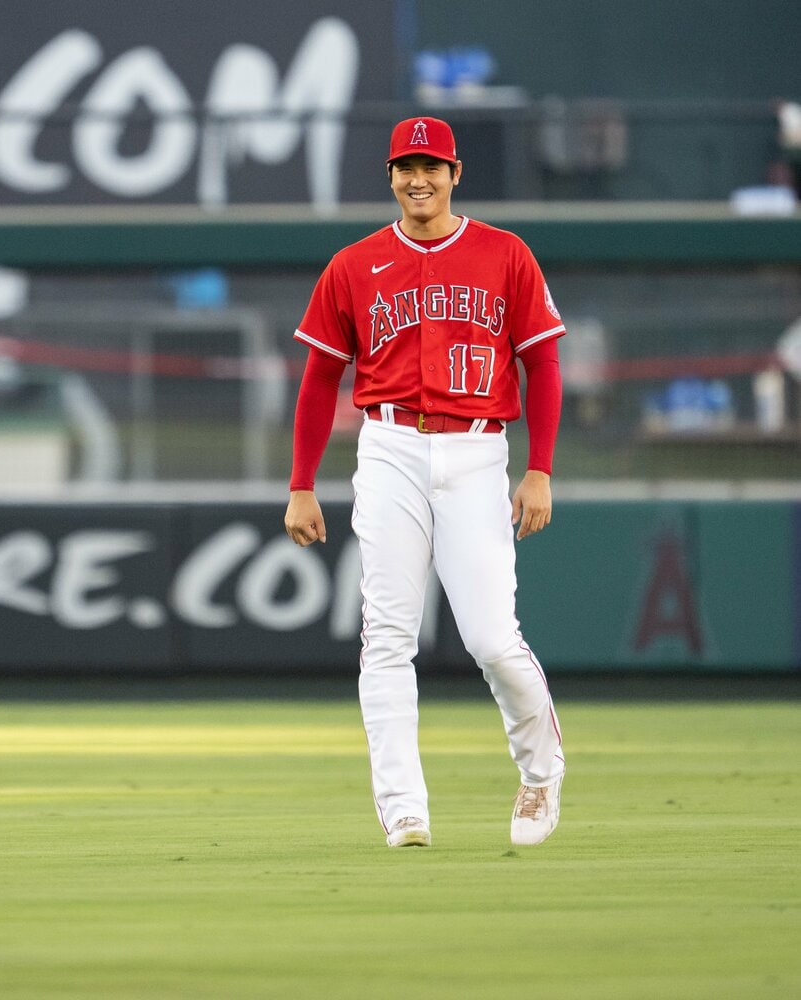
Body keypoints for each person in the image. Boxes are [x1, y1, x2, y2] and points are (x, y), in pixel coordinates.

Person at [283, 116, 565, 849]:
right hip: (389, 446)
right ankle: (403, 805)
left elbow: (545, 364)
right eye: (406, 166)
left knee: (493, 641)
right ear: (389, 176)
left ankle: (539, 774)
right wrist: (301, 483)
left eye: (431, 166)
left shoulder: (505, 254)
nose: (419, 178)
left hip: (477, 452)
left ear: (455, 172)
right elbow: (319, 381)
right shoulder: (353, 263)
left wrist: (540, 469)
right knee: (387, 638)